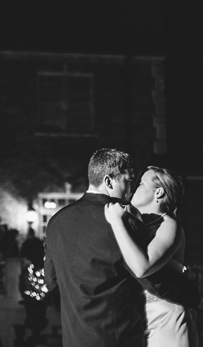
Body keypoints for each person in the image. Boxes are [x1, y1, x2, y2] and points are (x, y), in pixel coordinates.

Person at [44, 148, 145, 347]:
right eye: (128, 181)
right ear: (108, 181)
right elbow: (145, 275)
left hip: (75, 338)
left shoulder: (56, 221)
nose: (131, 188)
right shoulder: (124, 220)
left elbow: (51, 282)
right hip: (119, 337)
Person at [104, 166, 199, 347]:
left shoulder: (170, 225)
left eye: (141, 183)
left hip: (165, 320)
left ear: (159, 192)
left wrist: (116, 222)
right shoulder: (138, 224)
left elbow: (142, 267)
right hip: (137, 319)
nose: (134, 187)